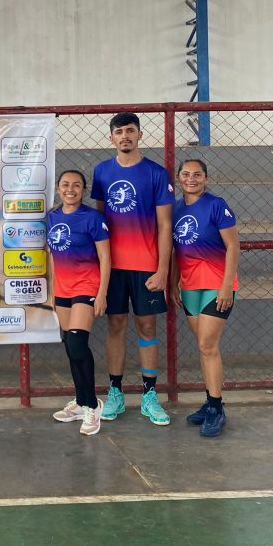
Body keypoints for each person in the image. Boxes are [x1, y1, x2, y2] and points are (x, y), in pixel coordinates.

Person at [91, 112, 174, 426]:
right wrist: (100, 268)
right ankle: (115, 393)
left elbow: (165, 226)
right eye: (119, 131)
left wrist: (163, 269)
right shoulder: (101, 172)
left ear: (139, 135)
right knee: (114, 327)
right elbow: (98, 225)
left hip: (146, 267)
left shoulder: (155, 173)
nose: (124, 136)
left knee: (147, 328)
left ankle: (150, 396)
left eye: (130, 131)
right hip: (113, 269)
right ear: (111, 137)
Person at [172, 159, 239, 437]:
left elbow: (233, 246)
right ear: (178, 178)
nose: (191, 179)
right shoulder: (175, 208)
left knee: (207, 344)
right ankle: (212, 400)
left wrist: (226, 287)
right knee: (203, 347)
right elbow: (175, 247)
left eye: (197, 174)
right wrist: (175, 280)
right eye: (186, 174)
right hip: (189, 285)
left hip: (216, 283)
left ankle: (216, 408)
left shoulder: (216, 204)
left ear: (206, 178)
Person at [47, 170, 111, 436]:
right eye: (65, 185)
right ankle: (80, 400)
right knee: (70, 347)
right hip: (62, 289)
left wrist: (102, 293)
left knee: (77, 342)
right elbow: (51, 255)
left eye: (76, 185)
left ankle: (91, 405)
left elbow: (106, 259)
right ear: (58, 189)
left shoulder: (93, 218)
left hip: (86, 286)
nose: (70, 189)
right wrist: (52, 290)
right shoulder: (51, 217)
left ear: (83, 190)